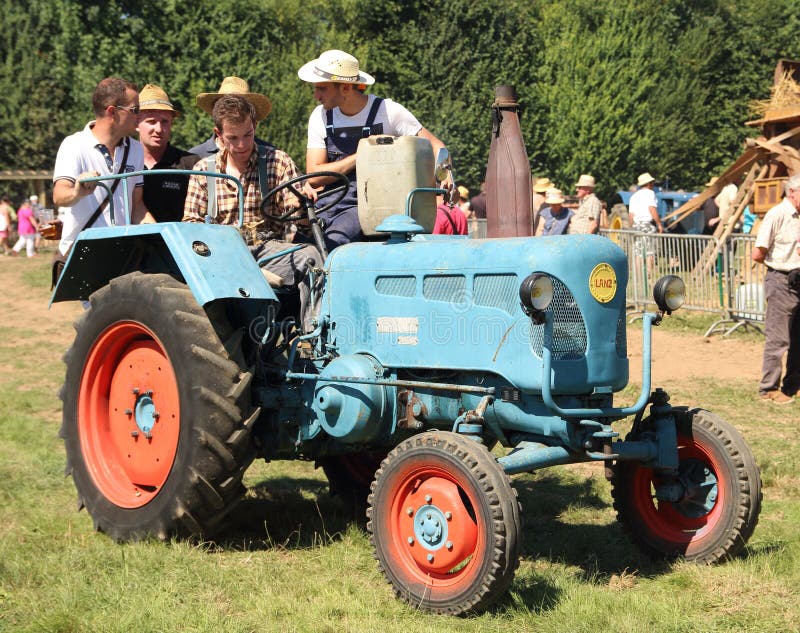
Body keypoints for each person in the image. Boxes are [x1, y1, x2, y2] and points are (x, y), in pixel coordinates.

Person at [182, 95, 323, 333]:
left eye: (247, 135)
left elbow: (297, 216)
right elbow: (190, 225)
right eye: (233, 138)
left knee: (311, 257)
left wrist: (300, 205)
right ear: (218, 134)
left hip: (268, 251)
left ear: (255, 126)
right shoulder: (204, 170)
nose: (242, 145)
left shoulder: (277, 162)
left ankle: (315, 336)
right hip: (223, 256)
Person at [298, 49, 447, 249]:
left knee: (334, 243)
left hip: (370, 206)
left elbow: (436, 146)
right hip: (328, 204)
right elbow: (315, 176)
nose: (316, 96)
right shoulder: (320, 116)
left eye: (322, 88)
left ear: (345, 87)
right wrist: (361, 156)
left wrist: (446, 173)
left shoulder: (388, 111)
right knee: (298, 249)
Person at [52, 76, 154, 259]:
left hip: (121, 254)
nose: (140, 115)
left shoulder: (136, 149)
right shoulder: (74, 145)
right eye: (135, 109)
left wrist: (163, 237)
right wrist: (76, 192)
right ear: (112, 111)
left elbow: (137, 206)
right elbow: (59, 196)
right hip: (80, 255)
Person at [751, 174, 800, 405]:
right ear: (792, 192)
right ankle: (768, 388)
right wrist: (782, 267)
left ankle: (793, 384)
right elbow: (757, 254)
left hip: (797, 280)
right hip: (781, 281)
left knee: (797, 338)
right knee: (778, 339)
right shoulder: (777, 214)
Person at [137, 84, 198, 222]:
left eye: (165, 122)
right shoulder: (123, 162)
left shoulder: (191, 164)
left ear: (172, 124)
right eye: (151, 122)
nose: (159, 129)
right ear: (136, 123)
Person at [189, 76, 273, 159]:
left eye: (242, 106)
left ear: (255, 124)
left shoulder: (271, 157)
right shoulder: (195, 157)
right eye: (226, 105)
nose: (234, 111)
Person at [629, 172, 663, 277]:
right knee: (649, 252)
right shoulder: (650, 193)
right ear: (649, 183)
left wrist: (632, 226)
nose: (653, 184)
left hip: (636, 225)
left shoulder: (634, 196)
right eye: (652, 182)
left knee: (638, 252)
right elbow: (652, 209)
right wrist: (659, 224)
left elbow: (631, 215)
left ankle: (638, 276)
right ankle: (648, 275)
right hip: (647, 225)